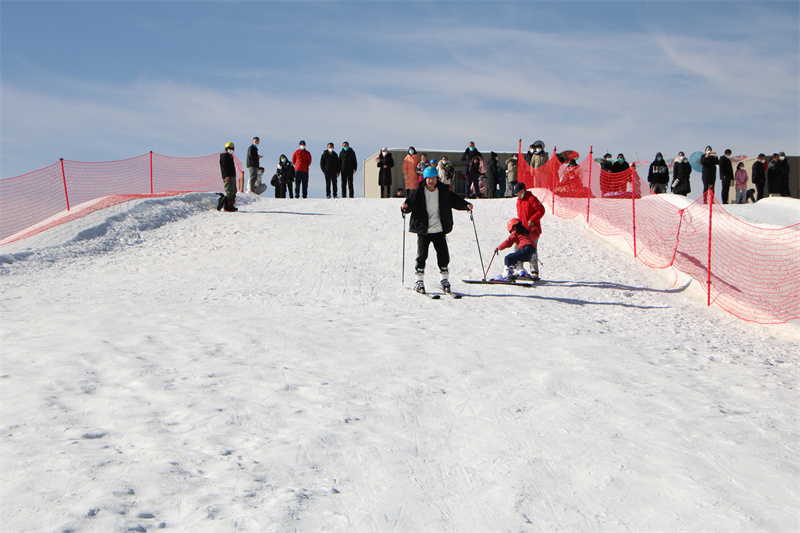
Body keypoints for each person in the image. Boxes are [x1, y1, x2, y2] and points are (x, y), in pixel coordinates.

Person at [401, 166, 473, 294]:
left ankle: (444, 279)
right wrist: (405, 208)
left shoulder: (443, 191)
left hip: (439, 229)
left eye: (433, 178)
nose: (431, 181)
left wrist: (466, 205)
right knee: (422, 256)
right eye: (429, 178)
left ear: (437, 178)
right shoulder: (418, 192)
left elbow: (455, 200)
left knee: (443, 255)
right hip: (424, 230)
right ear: (425, 179)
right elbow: (409, 203)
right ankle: (419, 281)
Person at [513, 182, 545, 280]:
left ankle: (534, 272)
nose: (516, 194)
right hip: (522, 231)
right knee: (517, 248)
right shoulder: (519, 201)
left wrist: (533, 220)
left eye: (517, 192)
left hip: (532, 231)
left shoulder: (532, 199)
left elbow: (541, 210)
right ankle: (519, 269)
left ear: (523, 190)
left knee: (531, 250)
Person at [218, 142, 238, 212]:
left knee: (234, 190)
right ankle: (226, 206)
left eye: (232, 148)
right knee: (229, 190)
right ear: (226, 149)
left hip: (232, 175)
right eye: (229, 148)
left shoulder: (230, 156)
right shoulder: (224, 156)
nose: (231, 150)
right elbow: (224, 167)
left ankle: (231, 205)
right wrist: (226, 175)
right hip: (228, 176)